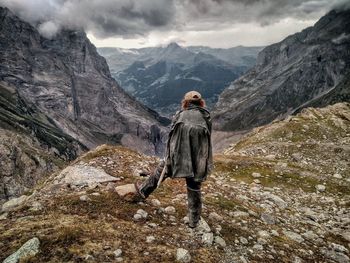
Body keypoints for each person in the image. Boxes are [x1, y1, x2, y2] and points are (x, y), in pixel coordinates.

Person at [116, 91, 213, 228]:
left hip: (178, 156)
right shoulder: (206, 116)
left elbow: (172, 138)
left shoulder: (180, 116)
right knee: (194, 188)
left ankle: (143, 191)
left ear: (185, 102)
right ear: (201, 103)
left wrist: (169, 156)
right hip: (198, 159)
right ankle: (194, 220)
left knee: (160, 172)